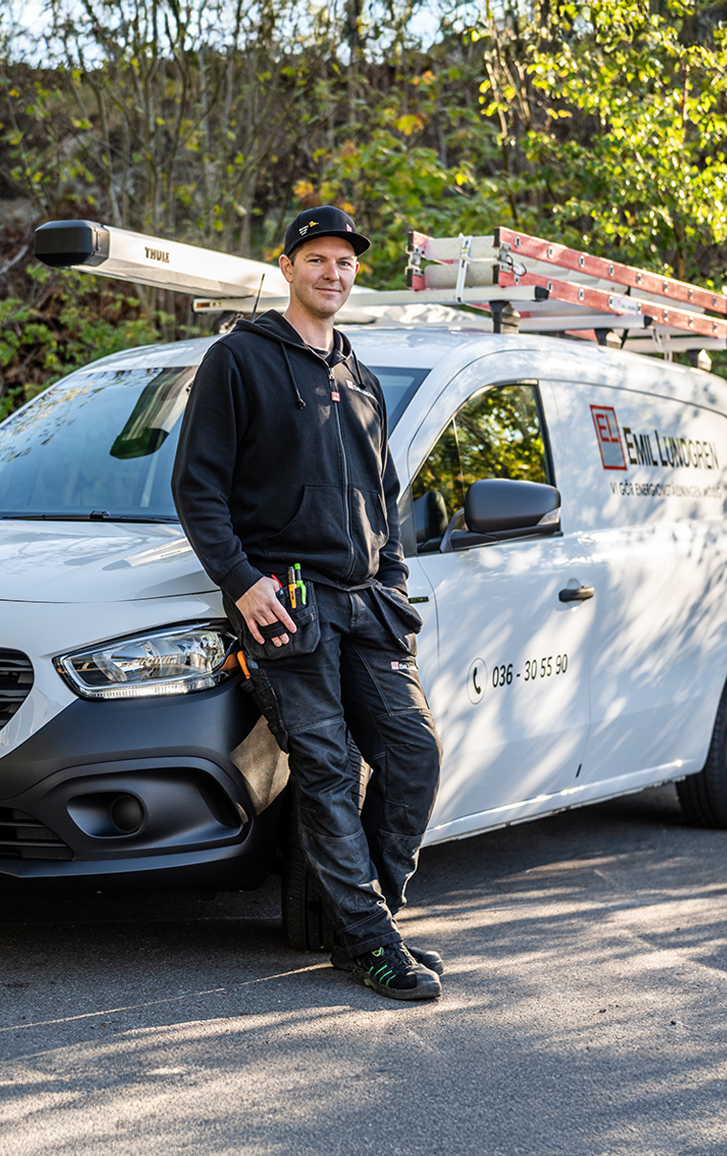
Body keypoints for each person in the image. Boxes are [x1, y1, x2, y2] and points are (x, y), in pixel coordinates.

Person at [171, 205, 444, 1002]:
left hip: (367, 603)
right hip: (286, 603)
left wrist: (391, 576)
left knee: (412, 754)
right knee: (326, 768)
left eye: (346, 262)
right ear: (286, 266)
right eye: (318, 259)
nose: (334, 272)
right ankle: (372, 942)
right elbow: (198, 487)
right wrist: (242, 582)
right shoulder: (239, 360)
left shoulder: (360, 374)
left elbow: (385, 497)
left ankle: (366, 922)